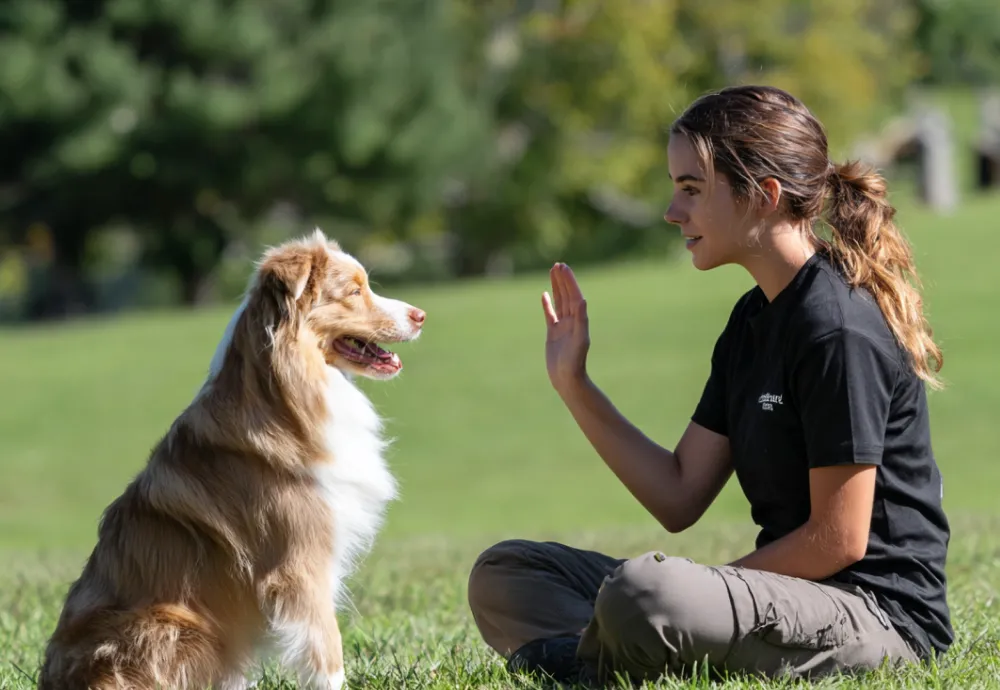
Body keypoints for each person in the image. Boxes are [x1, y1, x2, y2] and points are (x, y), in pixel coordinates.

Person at [466, 84, 953, 686]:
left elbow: (837, 541)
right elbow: (678, 494)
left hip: (875, 617)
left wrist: (715, 590)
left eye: (691, 190)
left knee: (649, 591)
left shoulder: (837, 329)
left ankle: (592, 658)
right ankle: (614, 650)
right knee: (507, 573)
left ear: (764, 196)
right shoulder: (753, 320)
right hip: (781, 600)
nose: (673, 213)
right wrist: (574, 384)